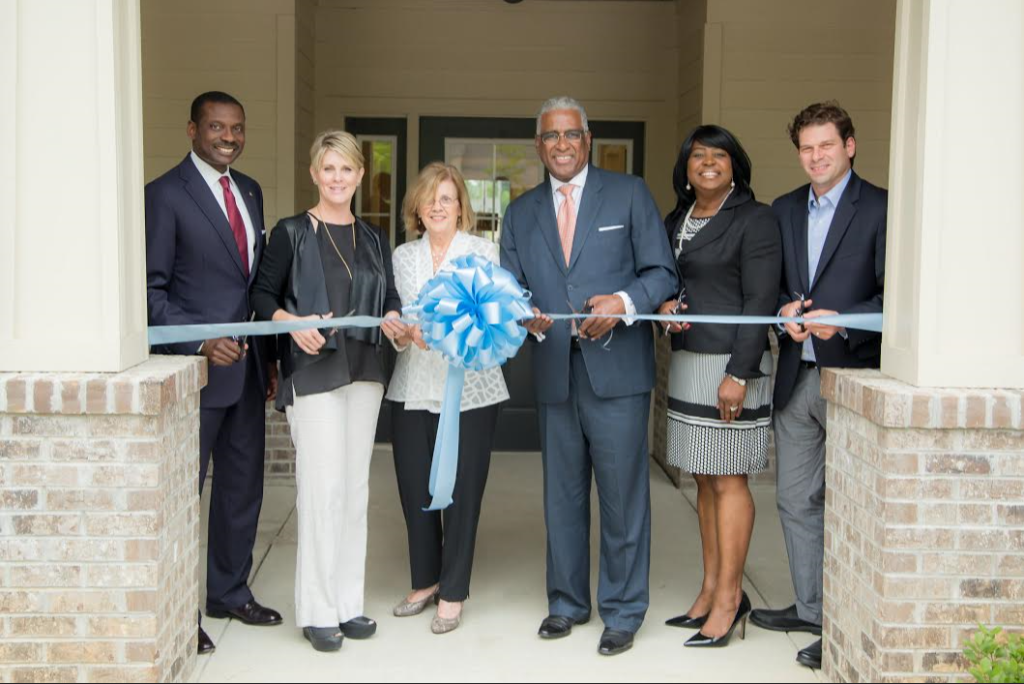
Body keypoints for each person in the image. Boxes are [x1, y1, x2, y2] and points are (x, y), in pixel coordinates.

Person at [500, 96, 678, 656]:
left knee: (624, 498)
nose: (561, 145)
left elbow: (661, 272)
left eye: (570, 135)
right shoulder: (521, 211)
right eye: (550, 137)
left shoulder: (628, 194)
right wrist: (522, 316)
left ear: (588, 137)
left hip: (619, 373)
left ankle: (623, 610)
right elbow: (510, 287)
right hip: (554, 371)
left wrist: (624, 302)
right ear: (539, 145)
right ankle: (567, 602)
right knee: (563, 496)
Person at [748, 101, 887, 670]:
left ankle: (843, 623)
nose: (816, 157)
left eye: (826, 145)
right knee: (793, 499)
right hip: (795, 375)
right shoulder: (782, 210)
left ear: (849, 146)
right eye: (806, 148)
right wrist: (784, 308)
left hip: (852, 375)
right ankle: (811, 609)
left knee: (850, 505)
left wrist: (846, 318)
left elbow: (894, 294)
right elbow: (777, 284)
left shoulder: (880, 207)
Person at [251, 129, 402, 652]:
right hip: (313, 372)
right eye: (328, 169)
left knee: (355, 491)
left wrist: (396, 319)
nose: (338, 178)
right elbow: (261, 294)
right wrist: (291, 323)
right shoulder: (292, 232)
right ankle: (316, 610)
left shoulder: (375, 238)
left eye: (347, 168)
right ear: (315, 174)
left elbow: (391, 299)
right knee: (323, 490)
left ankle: (347, 603)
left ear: (361, 174)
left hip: (365, 370)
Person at [145, 91, 281, 656]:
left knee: (241, 490)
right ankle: (184, 609)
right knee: (187, 494)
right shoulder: (163, 196)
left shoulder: (249, 190)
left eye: (237, 128)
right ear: (192, 130)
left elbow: (253, 288)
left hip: (248, 372)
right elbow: (150, 294)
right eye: (217, 126)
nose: (229, 136)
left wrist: (269, 360)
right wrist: (201, 341)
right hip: (196, 374)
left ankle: (228, 592)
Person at [656, 125, 781, 648]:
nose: (708, 163)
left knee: (729, 481)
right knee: (704, 480)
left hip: (733, 365)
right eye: (697, 156)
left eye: (719, 156)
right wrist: (663, 306)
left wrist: (739, 374)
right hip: (689, 362)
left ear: (735, 165)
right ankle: (710, 588)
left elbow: (760, 301)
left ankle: (731, 600)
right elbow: (668, 279)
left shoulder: (755, 219)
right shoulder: (676, 219)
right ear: (685, 167)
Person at [385, 163, 509, 635]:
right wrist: (402, 334)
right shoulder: (400, 256)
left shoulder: (484, 252)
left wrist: (439, 331)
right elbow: (394, 318)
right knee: (415, 487)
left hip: (472, 392)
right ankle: (424, 580)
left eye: (447, 198)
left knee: (462, 494)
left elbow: (492, 320)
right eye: (429, 198)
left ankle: (453, 590)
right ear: (416, 207)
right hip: (413, 387)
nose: (437, 206)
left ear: (462, 207)